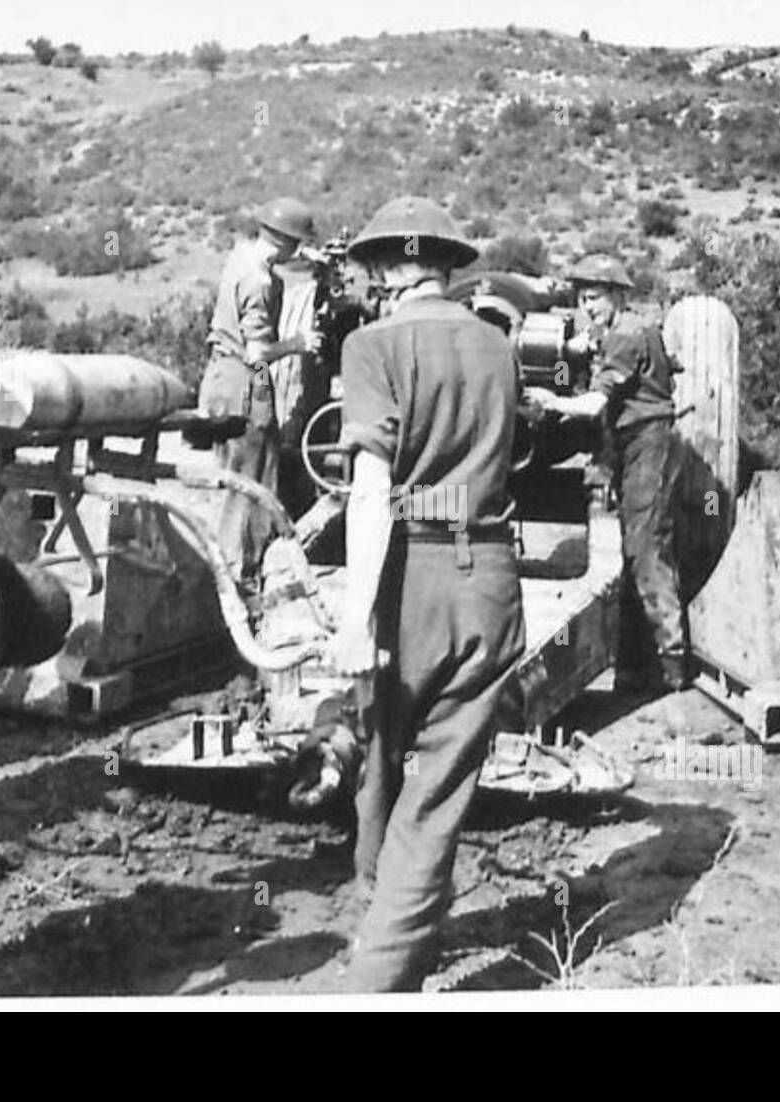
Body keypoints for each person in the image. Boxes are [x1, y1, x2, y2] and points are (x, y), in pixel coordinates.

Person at [326, 196, 526, 991]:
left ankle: (373, 975)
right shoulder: (498, 345)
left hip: (407, 575)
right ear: (444, 265)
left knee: (382, 756)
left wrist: (351, 618)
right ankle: (388, 930)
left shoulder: (369, 345)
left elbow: (370, 491)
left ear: (386, 269)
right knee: (438, 787)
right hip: (488, 580)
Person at [525, 253, 690, 697]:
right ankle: (637, 667)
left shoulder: (628, 336)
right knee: (634, 550)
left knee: (646, 549)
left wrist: (550, 401)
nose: (587, 306)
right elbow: (592, 347)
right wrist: (578, 345)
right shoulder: (624, 329)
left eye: (595, 297)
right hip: (631, 444)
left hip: (646, 444)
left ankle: (674, 669)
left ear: (618, 295)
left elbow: (597, 403)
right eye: (582, 297)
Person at [196, 197, 322, 578]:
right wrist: (300, 343)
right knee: (249, 484)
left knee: (231, 480)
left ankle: (222, 565)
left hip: (222, 380)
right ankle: (240, 575)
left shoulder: (242, 257)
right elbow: (258, 354)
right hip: (246, 385)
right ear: (288, 243)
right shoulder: (260, 280)